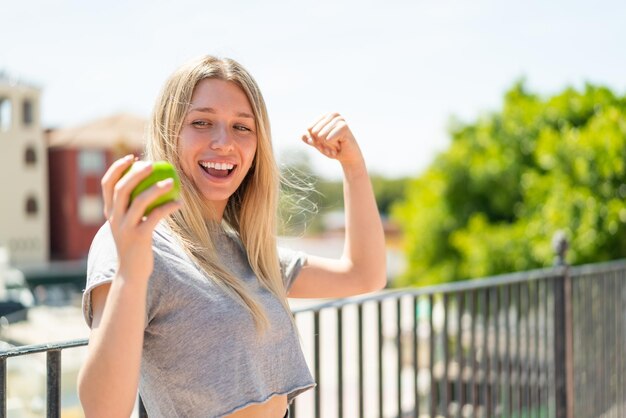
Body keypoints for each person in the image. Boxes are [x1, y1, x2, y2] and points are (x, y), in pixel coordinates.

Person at [77, 55, 386, 418]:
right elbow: (102, 411)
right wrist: (131, 270)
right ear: (167, 131)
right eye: (202, 122)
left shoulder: (245, 250)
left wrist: (353, 166)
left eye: (242, 127)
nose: (224, 142)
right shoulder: (135, 239)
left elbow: (364, 275)